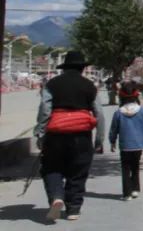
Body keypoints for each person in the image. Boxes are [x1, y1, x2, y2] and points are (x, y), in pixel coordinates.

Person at [34, 51, 106, 222]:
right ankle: (73, 208)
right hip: (82, 136)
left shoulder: (52, 84)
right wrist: (99, 139)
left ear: (64, 68)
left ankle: (56, 197)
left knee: (51, 167)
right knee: (78, 171)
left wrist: (40, 133)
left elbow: (45, 109)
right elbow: (99, 113)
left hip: (55, 134)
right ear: (82, 68)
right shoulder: (90, 86)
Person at [109, 81, 143, 200]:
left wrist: (112, 141)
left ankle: (127, 193)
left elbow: (113, 129)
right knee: (135, 166)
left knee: (125, 168)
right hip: (138, 144)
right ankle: (135, 189)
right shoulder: (141, 111)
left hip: (125, 145)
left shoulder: (118, 113)